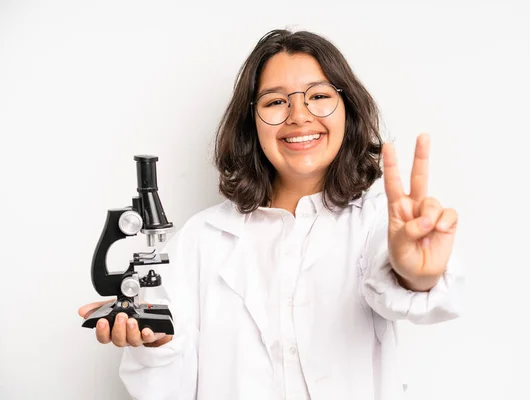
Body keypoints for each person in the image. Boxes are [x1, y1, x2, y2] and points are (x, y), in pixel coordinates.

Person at [78, 28, 464, 400]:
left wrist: (416, 274)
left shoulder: (376, 224)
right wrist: (156, 345)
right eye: (276, 102)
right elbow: (162, 389)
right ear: (251, 123)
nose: (298, 115)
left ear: (347, 109)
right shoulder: (201, 240)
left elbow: (402, 289)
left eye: (318, 96)